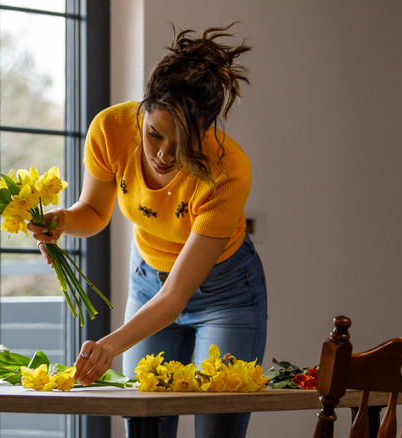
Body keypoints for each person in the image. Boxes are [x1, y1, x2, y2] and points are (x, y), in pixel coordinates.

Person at [28, 23, 267, 438]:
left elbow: (176, 296)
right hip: (147, 282)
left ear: (207, 131)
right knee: (144, 426)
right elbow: (94, 212)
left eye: (183, 145)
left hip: (226, 294)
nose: (163, 155)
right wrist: (64, 220)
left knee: (217, 428)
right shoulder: (111, 130)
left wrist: (108, 346)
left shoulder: (228, 171)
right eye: (154, 134)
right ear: (143, 110)